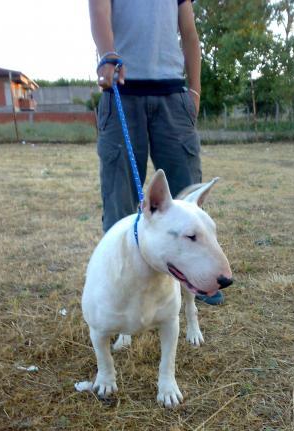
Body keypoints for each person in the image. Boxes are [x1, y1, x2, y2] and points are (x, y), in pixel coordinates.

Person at [88, 0, 224, 306]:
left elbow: (189, 33)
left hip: (173, 95)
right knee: (118, 197)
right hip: (121, 91)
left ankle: (200, 275)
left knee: (187, 191)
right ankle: (119, 285)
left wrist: (195, 89)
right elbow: (98, 10)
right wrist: (107, 54)